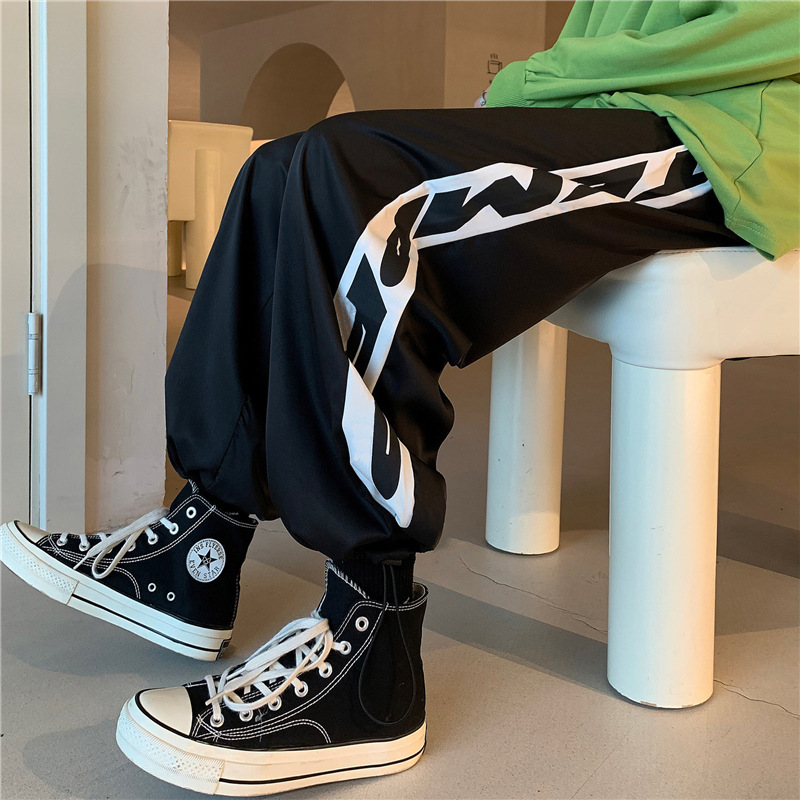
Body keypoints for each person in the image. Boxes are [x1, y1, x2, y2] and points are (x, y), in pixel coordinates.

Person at [2, 1, 797, 795]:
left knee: (362, 183)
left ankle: (370, 654)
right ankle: (201, 542)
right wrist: (552, 91)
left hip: (735, 133)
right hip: (629, 109)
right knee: (278, 169)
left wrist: (533, 83)